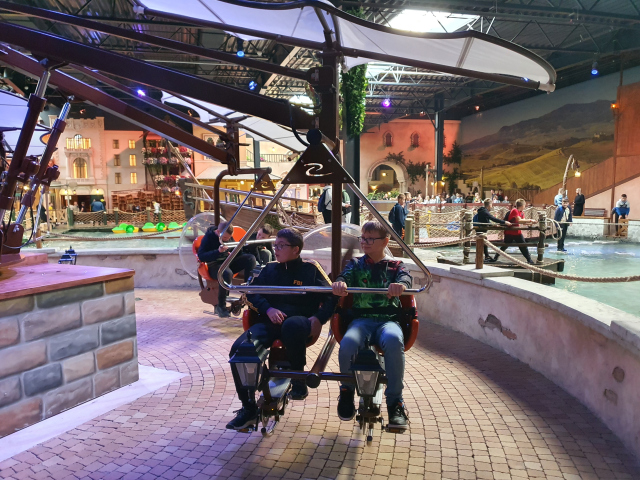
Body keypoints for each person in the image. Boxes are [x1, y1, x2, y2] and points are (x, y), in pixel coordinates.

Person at [226, 228, 336, 430]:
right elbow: (252, 292)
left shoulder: (311, 269)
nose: (275, 249)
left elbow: (331, 296)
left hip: (299, 321)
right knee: (239, 349)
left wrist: (319, 318)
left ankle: (298, 379)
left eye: (281, 246)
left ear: (296, 249)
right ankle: (248, 407)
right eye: (275, 245)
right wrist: (268, 309)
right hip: (269, 322)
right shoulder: (269, 269)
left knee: (291, 325)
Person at [332, 220, 412, 429]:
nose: (364, 242)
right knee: (348, 343)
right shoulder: (356, 264)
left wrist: (401, 285)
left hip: (388, 319)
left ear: (385, 241)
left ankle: (395, 402)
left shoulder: (396, 266)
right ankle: (347, 390)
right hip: (362, 320)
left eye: (370, 239)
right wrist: (340, 282)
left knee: (393, 340)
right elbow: (344, 276)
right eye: (363, 238)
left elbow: (405, 278)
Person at [197, 221, 257, 317]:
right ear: (218, 232)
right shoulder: (208, 237)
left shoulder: (227, 236)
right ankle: (221, 306)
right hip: (214, 265)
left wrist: (239, 248)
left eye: (229, 238)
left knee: (250, 259)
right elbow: (201, 256)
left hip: (228, 261)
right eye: (225, 238)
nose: (227, 240)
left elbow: (238, 252)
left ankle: (247, 289)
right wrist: (218, 252)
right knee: (226, 273)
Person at [493, 198, 537, 264]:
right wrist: (530, 220)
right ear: (522, 205)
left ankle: (529, 260)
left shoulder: (522, 213)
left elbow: (524, 222)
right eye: (524, 205)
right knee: (505, 246)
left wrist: (531, 223)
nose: (525, 206)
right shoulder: (514, 210)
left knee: (523, 245)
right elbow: (519, 220)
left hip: (517, 232)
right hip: (509, 232)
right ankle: (495, 257)